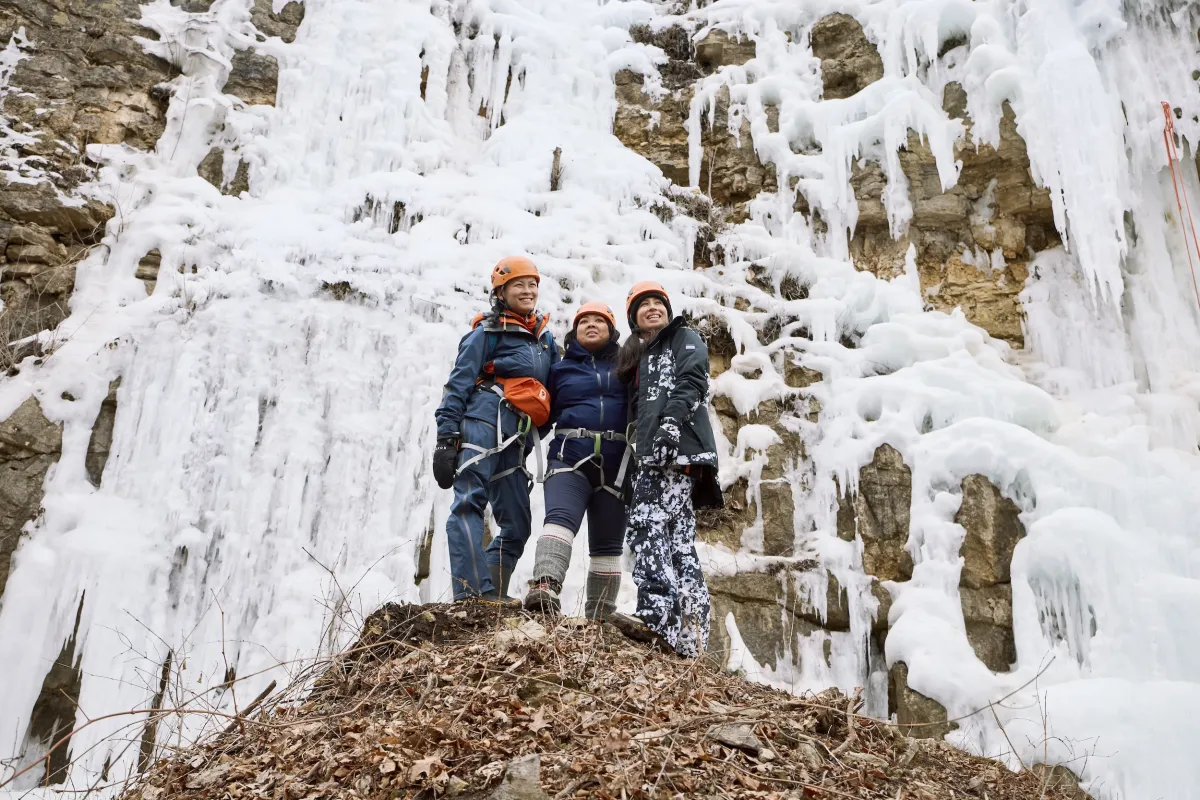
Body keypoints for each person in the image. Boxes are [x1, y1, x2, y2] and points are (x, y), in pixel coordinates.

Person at [607, 281, 723, 658]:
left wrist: (671, 424)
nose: (653, 308)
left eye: (659, 302)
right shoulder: (644, 355)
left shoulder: (683, 337)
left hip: (673, 453)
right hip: (664, 456)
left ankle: (658, 618)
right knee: (677, 540)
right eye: (644, 305)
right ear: (633, 318)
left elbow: (693, 380)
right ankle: (690, 636)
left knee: (647, 527)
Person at [432, 256, 557, 602]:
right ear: (501, 292)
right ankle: (472, 597)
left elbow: (559, 391)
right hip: (482, 423)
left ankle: (491, 594)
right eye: (519, 284)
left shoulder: (545, 342)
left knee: (517, 523)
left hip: (517, 439)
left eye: (533, 284)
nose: (528, 290)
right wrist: (446, 438)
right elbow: (457, 385)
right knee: (469, 502)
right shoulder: (484, 333)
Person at [524, 301, 629, 620]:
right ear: (574, 331)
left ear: (612, 331)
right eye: (585, 321)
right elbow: (543, 415)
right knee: (559, 517)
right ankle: (545, 587)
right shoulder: (559, 369)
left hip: (619, 464)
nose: (592, 324)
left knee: (608, 544)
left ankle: (601, 616)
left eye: (600, 320)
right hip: (569, 456)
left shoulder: (629, 366)